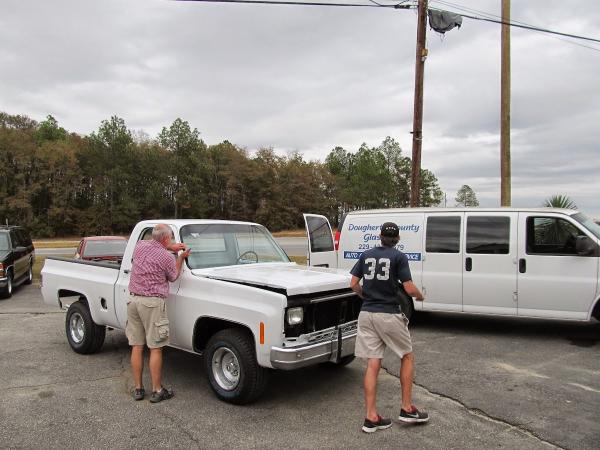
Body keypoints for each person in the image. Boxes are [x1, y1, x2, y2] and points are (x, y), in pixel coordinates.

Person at [350, 222, 429, 433]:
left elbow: (353, 284)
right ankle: (406, 408)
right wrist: (420, 296)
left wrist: (365, 296)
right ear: (398, 239)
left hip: (366, 314)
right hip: (388, 314)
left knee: (373, 362)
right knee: (407, 356)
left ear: (380, 236)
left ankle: (371, 417)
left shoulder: (366, 255)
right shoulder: (399, 257)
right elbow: (409, 287)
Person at [126, 223, 190, 403]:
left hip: (133, 300)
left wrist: (169, 247)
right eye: (170, 238)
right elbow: (173, 277)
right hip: (152, 303)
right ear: (167, 238)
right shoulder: (167, 257)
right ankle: (157, 390)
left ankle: (138, 389)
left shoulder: (140, 246)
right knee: (156, 347)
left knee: (137, 346)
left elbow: (155, 247)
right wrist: (180, 257)